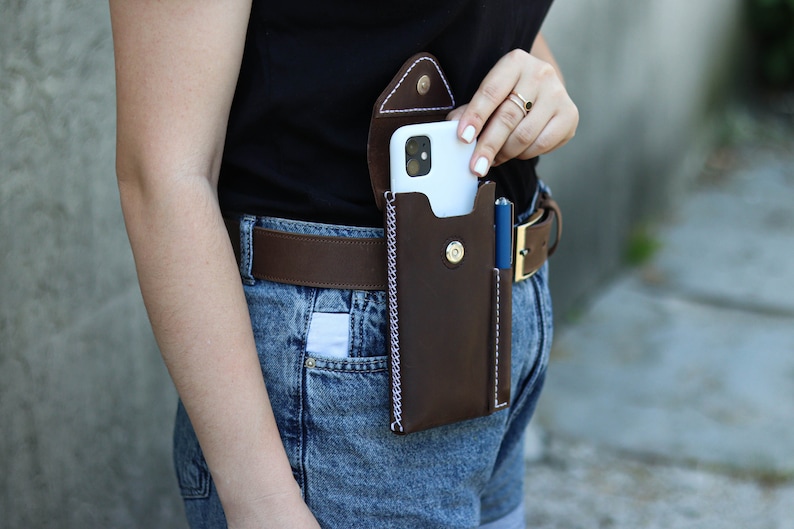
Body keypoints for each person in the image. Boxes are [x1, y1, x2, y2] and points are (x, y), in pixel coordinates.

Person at [109, 1, 578, 528]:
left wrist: (541, 85)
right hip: (342, 383)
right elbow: (162, 174)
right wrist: (262, 503)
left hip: (492, 326)